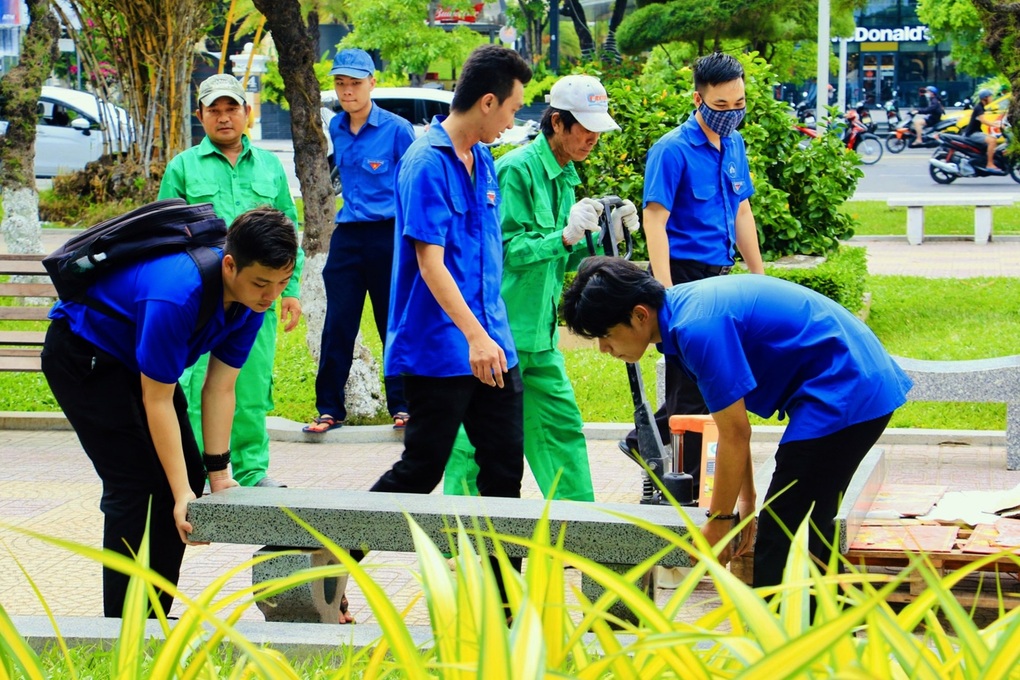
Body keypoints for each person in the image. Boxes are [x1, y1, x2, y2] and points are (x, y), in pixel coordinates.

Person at [562, 257, 913, 588]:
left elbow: (735, 434)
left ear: (639, 315)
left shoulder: (696, 328)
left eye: (605, 336)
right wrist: (745, 501)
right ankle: (814, 631)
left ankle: (782, 641)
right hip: (851, 381)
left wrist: (718, 522)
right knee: (803, 526)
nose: (603, 350)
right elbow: (733, 426)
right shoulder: (682, 314)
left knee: (783, 537)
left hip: (846, 387)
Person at [41, 208, 299, 617]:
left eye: (282, 283)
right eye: (262, 283)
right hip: (85, 357)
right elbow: (157, 399)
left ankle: (153, 612)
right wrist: (181, 495)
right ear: (230, 264)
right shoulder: (178, 292)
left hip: (135, 363)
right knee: (137, 484)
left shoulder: (253, 301)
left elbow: (220, 386)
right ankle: (125, 624)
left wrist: (218, 475)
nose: (271, 295)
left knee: (188, 475)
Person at [368, 46, 531, 606]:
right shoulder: (425, 161)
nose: (513, 120)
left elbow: (484, 259)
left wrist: (493, 338)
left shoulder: (483, 159)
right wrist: (474, 336)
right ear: (487, 102)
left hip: (494, 347)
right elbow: (429, 262)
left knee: (505, 470)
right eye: (511, 108)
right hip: (443, 351)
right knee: (421, 470)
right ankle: (330, 556)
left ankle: (504, 603)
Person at [441, 74, 635, 502]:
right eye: (584, 129)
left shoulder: (565, 178)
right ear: (558, 123)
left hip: (540, 338)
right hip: (498, 333)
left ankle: (579, 533)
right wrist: (564, 235)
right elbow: (503, 252)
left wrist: (604, 235)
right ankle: (459, 536)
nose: (592, 139)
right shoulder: (516, 171)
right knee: (476, 440)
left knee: (560, 428)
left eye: (598, 131)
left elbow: (563, 260)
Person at [158, 73, 305, 488]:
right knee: (200, 383)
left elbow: (288, 229)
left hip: (258, 296)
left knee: (251, 386)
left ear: (247, 113)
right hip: (204, 300)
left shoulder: (270, 166)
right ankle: (200, 470)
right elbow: (166, 235)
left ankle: (253, 471)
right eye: (214, 110)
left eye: (232, 109)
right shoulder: (183, 167)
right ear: (200, 115)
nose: (224, 118)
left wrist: (289, 290)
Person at [624, 52, 764, 485]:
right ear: (697, 99)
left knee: (711, 380)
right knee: (690, 388)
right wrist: (667, 291)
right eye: (721, 107)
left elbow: (741, 210)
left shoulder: (734, 144)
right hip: (683, 276)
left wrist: (758, 277)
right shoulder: (672, 150)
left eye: (738, 104)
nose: (731, 114)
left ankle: (645, 442)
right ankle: (681, 480)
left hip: (719, 277)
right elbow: (655, 220)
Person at [303, 49, 415, 434]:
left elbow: (413, 186)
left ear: (372, 83)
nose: (347, 91)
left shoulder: (398, 130)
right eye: (340, 84)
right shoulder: (336, 127)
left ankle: (404, 405)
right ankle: (329, 409)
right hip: (348, 236)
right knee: (338, 324)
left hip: (388, 235)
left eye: (355, 83)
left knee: (392, 323)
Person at [963, 88, 1005, 174]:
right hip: (972, 134)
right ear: (985, 98)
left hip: (977, 132)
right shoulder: (979, 108)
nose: (992, 98)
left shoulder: (982, 107)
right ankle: (989, 164)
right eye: (990, 96)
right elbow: (983, 120)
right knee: (992, 141)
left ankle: (986, 159)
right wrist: (997, 125)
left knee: (993, 139)